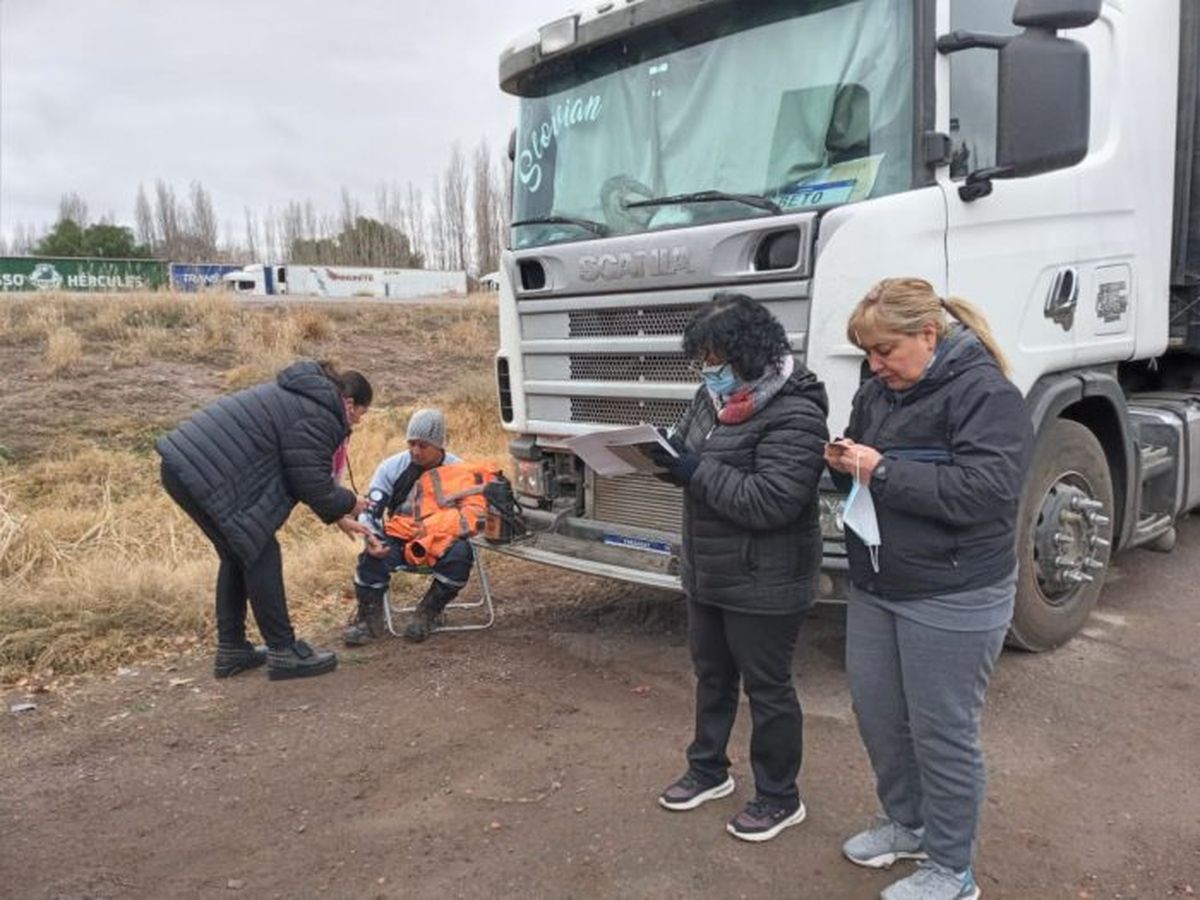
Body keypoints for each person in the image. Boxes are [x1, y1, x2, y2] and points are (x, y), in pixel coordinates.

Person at [824, 278, 1033, 900]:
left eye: (885, 350)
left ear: (927, 335)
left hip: (954, 590)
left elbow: (986, 493)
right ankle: (907, 824)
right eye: (867, 353)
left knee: (942, 731)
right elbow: (866, 478)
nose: (874, 365)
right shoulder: (877, 392)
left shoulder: (987, 394)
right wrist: (842, 464)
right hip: (880, 582)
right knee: (881, 717)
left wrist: (880, 470)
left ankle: (952, 868)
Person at [652, 292, 829, 843]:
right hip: (708, 568)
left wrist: (693, 471)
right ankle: (708, 770)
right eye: (701, 358)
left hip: (767, 578)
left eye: (717, 358)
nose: (709, 370)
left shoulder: (798, 411)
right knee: (712, 675)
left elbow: (771, 500)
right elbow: (689, 452)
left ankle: (779, 796)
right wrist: (659, 455)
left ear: (751, 354)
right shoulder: (709, 398)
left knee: (768, 688)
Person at [157, 360, 373, 681]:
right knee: (260, 551)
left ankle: (232, 649)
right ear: (351, 403)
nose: (355, 422)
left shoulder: (303, 398)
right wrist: (350, 503)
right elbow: (310, 482)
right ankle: (284, 651)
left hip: (184, 467)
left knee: (238, 552)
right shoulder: (321, 413)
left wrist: (337, 514)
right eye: (360, 415)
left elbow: (300, 470)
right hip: (205, 471)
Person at [343, 408, 488, 645]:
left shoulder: (459, 471)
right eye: (411, 443)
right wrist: (371, 537)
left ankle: (428, 613)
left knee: (461, 554)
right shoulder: (391, 467)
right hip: (401, 537)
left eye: (423, 445)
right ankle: (367, 621)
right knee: (370, 558)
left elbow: (473, 515)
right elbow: (370, 511)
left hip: (441, 540)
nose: (415, 451)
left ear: (440, 445)